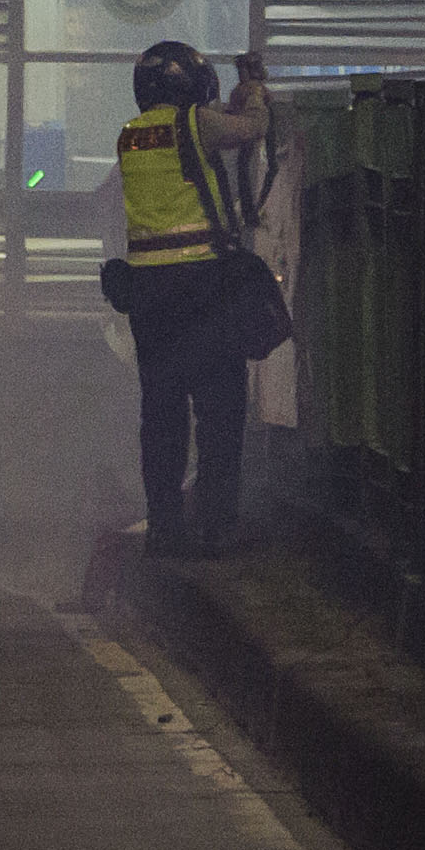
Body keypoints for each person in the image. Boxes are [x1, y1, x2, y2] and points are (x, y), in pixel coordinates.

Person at [114, 40, 272, 559]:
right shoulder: (197, 124)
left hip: (148, 292)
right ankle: (216, 528)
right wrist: (253, 92)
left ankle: (165, 529)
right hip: (203, 286)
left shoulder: (131, 135)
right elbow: (251, 129)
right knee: (219, 411)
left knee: (161, 416)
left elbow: (199, 132)